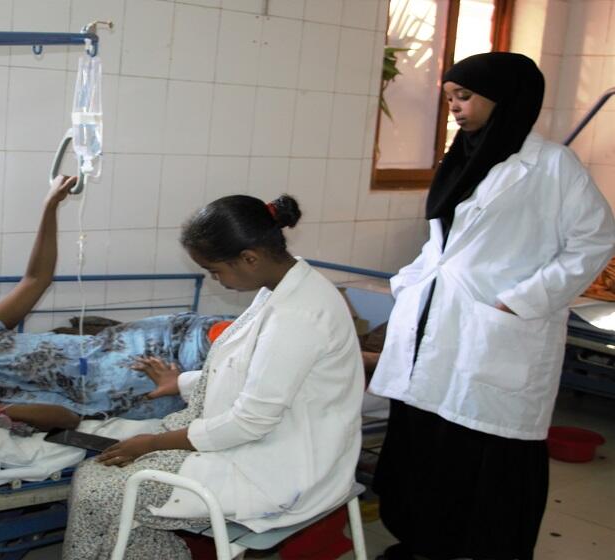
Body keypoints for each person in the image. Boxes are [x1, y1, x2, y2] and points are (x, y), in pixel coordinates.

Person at [368, 52, 615, 560]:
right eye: (450, 98)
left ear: (505, 97)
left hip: (498, 326)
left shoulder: (551, 165)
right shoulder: (461, 158)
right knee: (426, 437)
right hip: (437, 318)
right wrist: (410, 281)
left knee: (485, 446)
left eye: (464, 96)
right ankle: (424, 542)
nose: (455, 108)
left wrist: (522, 301)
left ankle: (480, 549)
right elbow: (444, 242)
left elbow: (594, 240)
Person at [61, 194, 365, 559]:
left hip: (279, 469)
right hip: (258, 442)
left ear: (249, 258)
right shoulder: (282, 289)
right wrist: (183, 383)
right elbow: (248, 370)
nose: (215, 281)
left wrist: (153, 444)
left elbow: (251, 421)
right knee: (97, 475)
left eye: (216, 271)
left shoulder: (297, 316)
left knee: (100, 490)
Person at [0, 180, 231, 420]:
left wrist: (49, 206)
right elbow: (68, 420)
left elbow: (36, 279)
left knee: (239, 340)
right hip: (156, 392)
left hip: (153, 339)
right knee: (244, 376)